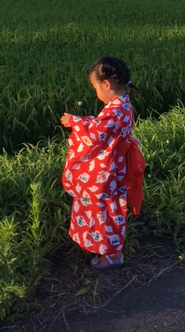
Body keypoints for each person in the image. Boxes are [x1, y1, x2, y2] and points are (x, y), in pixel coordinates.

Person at [60, 56, 145, 270]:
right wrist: (83, 121)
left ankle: (112, 256)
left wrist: (74, 121)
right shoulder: (123, 105)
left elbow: (97, 133)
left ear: (106, 84)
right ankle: (107, 249)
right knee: (109, 208)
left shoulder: (115, 110)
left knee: (106, 210)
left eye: (95, 87)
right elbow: (102, 126)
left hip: (109, 172)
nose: (96, 93)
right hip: (116, 167)